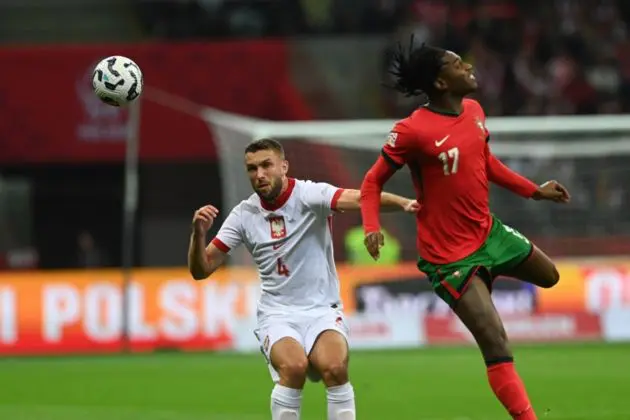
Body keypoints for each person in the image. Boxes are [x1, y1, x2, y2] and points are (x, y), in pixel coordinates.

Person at [359, 42, 570, 420]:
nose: (469, 66)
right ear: (441, 82)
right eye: (459, 64)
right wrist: (372, 226)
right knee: (495, 341)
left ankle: (483, 278)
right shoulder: (412, 131)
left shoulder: (474, 111)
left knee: (550, 276)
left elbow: (486, 161)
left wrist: (533, 191)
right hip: (448, 255)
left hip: (490, 234)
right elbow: (372, 182)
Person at [188, 138, 417, 420]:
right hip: (278, 314)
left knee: (335, 368)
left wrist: (405, 203)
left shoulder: (310, 195)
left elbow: (362, 197)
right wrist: (198, 234)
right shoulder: (243, 215)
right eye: (251, 169)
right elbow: (202, 269)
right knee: (293, 368)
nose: (259, 174)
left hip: (322, 310)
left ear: (283, 167)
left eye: (266, 165)